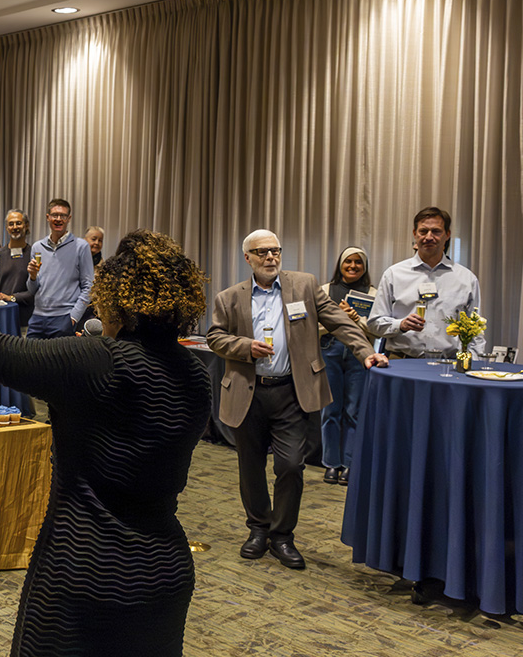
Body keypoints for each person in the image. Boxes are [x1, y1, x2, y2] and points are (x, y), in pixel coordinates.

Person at [0, 230, 210, 657]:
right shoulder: (196, 376)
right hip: (164, 574)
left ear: (118, 299)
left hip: (85, 569)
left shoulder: (99, 362)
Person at [206, 229, 387, 570]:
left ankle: (282, 536)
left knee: (290, 465)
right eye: (262, 252)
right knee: (251, 467)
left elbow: (338, 322)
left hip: (290, 391)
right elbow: (215, 336)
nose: (270, 257)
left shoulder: (304, 286)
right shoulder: (228, 297)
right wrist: (245, 347)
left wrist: (365, 352)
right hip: (248, 391)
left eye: (275, 250)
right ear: (248, 258)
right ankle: (258, 529)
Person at [367, 206, 485, 358]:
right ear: (415, 234)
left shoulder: (466, 279)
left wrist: (473, 364)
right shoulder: (393, 274)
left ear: (447, 235)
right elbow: (374, 324)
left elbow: (476, 332)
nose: (429, 237)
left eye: (436, 231)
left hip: (448, 367)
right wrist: (400, 325)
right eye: (423, 231)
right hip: (402, 364)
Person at [319, 247, 377, 486]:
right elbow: (313, 324)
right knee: (330, 410)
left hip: (358, 356)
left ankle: (350, 464)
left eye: (358, 263)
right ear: (340, 265)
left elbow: (376, 329)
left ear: (364, 267)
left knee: (354, 411)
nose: (353, 266)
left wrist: (357, 320)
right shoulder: (324, 290)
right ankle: (331, 464)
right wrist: (337, 319)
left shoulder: (373, 293)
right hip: (328, 352)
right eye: (348, 262)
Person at [25, 198, 94, 338]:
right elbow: (31, 290)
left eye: (63, 216)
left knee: (59, 360)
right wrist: (32, 277)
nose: (58, 219)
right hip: (37, 317)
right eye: (55, 215)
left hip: (64, 318)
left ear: (69, 218)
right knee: (30, 359)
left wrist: (74, 317)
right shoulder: (37, 247)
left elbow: (89, 286)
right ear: (47, 217)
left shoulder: (81, 246)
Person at [0, 209, 35, 328]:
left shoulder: (33, 254)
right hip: (0, 320)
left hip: (25, 322)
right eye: (11, 224)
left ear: (26, 226)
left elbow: (38, 291)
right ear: (6, 228)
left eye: (18, 223)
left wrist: (12, 298)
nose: (15, 227)